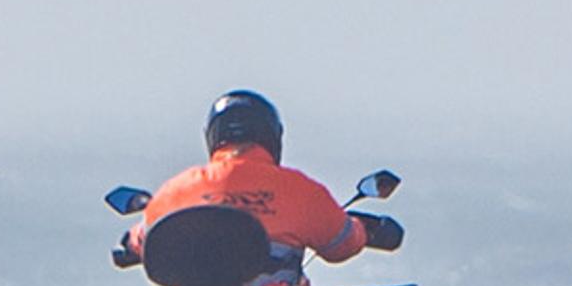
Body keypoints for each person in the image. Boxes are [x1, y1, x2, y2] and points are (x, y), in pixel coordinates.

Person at [134, 90, 402, 267]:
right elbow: (340, 244)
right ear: (272, 135)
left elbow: (140, 240)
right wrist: (361, 231)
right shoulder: (299, 190)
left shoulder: (175, 192)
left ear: (212, 136)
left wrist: (129, 245)